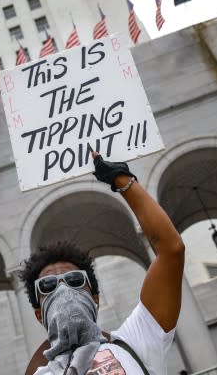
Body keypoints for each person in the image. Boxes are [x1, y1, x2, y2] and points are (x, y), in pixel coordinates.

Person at [21, 152, 185, 375]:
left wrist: (123, 181)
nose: (63, 289)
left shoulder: (135, 342)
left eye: (75, 280)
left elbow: (171, 251)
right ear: (39, 314)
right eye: (48, 286)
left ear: (95, 299)